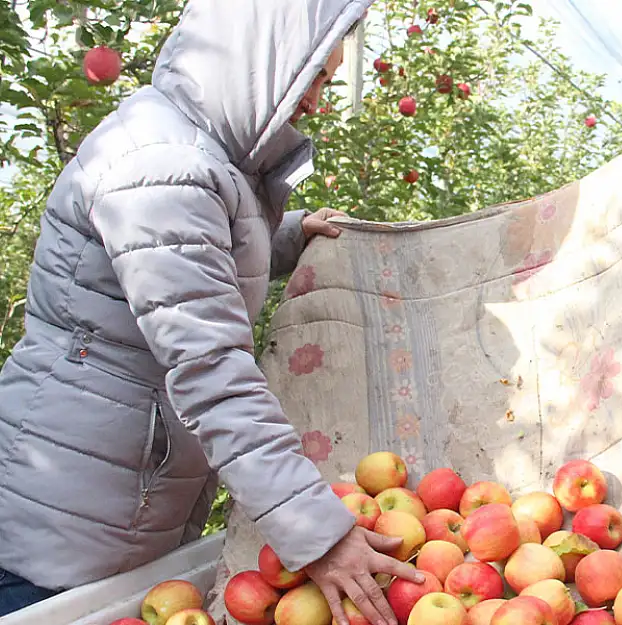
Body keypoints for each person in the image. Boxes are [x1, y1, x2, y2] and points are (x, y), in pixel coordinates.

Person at [0, 1, 423, 623]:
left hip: (118, 496)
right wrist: (319, 532)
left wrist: (290, 237)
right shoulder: (161, 163)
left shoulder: (205, 161)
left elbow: (191, 269)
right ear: (264, 60)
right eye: (313, 78)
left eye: (327, 82)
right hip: (62, 519)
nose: (315, 102)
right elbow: (210, 366)